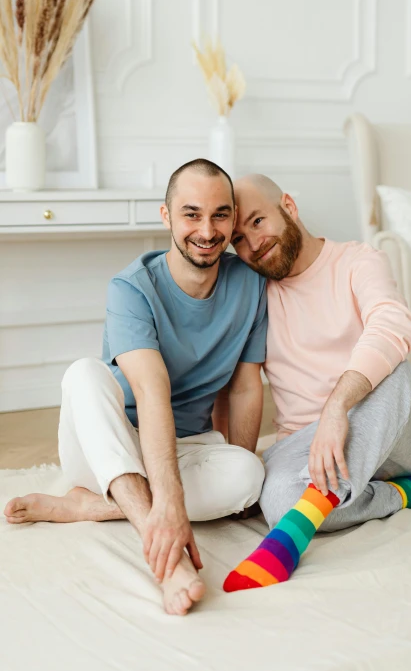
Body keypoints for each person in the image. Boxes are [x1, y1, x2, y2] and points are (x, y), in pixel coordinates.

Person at [4, 160, 267, 616]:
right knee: (84, 373)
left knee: (249, 475)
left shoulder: (249, 284)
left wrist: (237, 478)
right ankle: (168, 564)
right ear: (166, 217)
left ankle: (87, 509)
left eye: (220, 215)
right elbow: (150, 393)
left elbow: (245, 388)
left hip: (184, 448)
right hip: (107, 449)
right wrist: (169, 505)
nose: (206, 230)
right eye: (191, 214)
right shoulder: (131, 287)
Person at [223, 174, 411, 592]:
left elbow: (392, 322)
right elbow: (237, 382)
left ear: (288, 205)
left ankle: (302, 526)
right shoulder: (251, 289)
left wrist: (337, 407)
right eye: (238, 238)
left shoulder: (359, 260)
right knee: (276, 501)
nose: (252, 244)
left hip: (388, 432)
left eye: (257, 221)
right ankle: (410, 494)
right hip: (303, 443)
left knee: (396, 370)